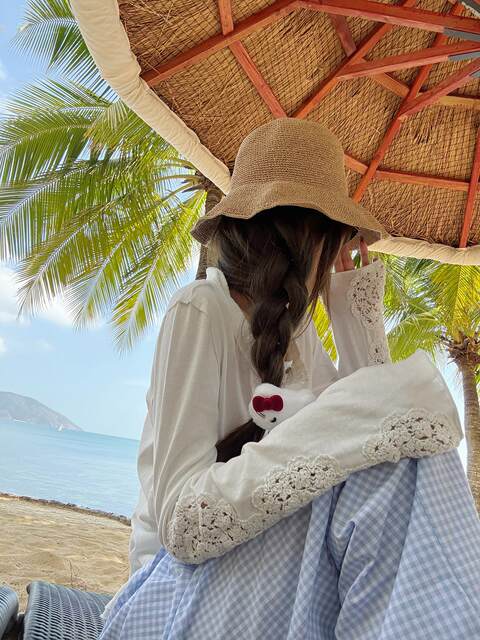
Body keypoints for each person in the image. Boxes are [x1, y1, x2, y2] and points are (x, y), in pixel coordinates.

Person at [99, 118, 480, 639]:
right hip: (173, 597)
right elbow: (180, 522)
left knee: (397, 450)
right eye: (337, 239)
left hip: (262, 586)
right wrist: (325, 443)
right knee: (394, 447)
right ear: (312, 239)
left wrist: (355, 312)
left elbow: (382, 440)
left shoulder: (299, 338)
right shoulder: (200, 310)